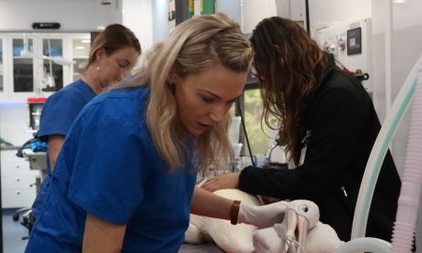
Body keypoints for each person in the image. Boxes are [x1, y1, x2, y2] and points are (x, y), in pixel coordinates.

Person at [25, 13, 285, 253]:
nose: (218, 115)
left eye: (230, 101)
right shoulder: (122, 126)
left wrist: (247, 213)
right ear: (173, 73)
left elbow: (170, 190)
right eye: (208, 98)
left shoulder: (179, 119)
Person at [202, 16, 402, 244]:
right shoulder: (316, 95)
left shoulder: (338, 96)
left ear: (281, 56)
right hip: (346, 224)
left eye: (265, 75)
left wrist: (243, 178)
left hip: (369, 231)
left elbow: (314, 181)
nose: (267, 85)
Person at [30, 24, 141, 221]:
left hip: (86, 211)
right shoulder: (68, 100)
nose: (125, 75)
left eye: (130, 69)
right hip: (62, 216)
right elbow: (60, 166)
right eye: (122, 64)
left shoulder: (109, 101)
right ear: (100, 55)